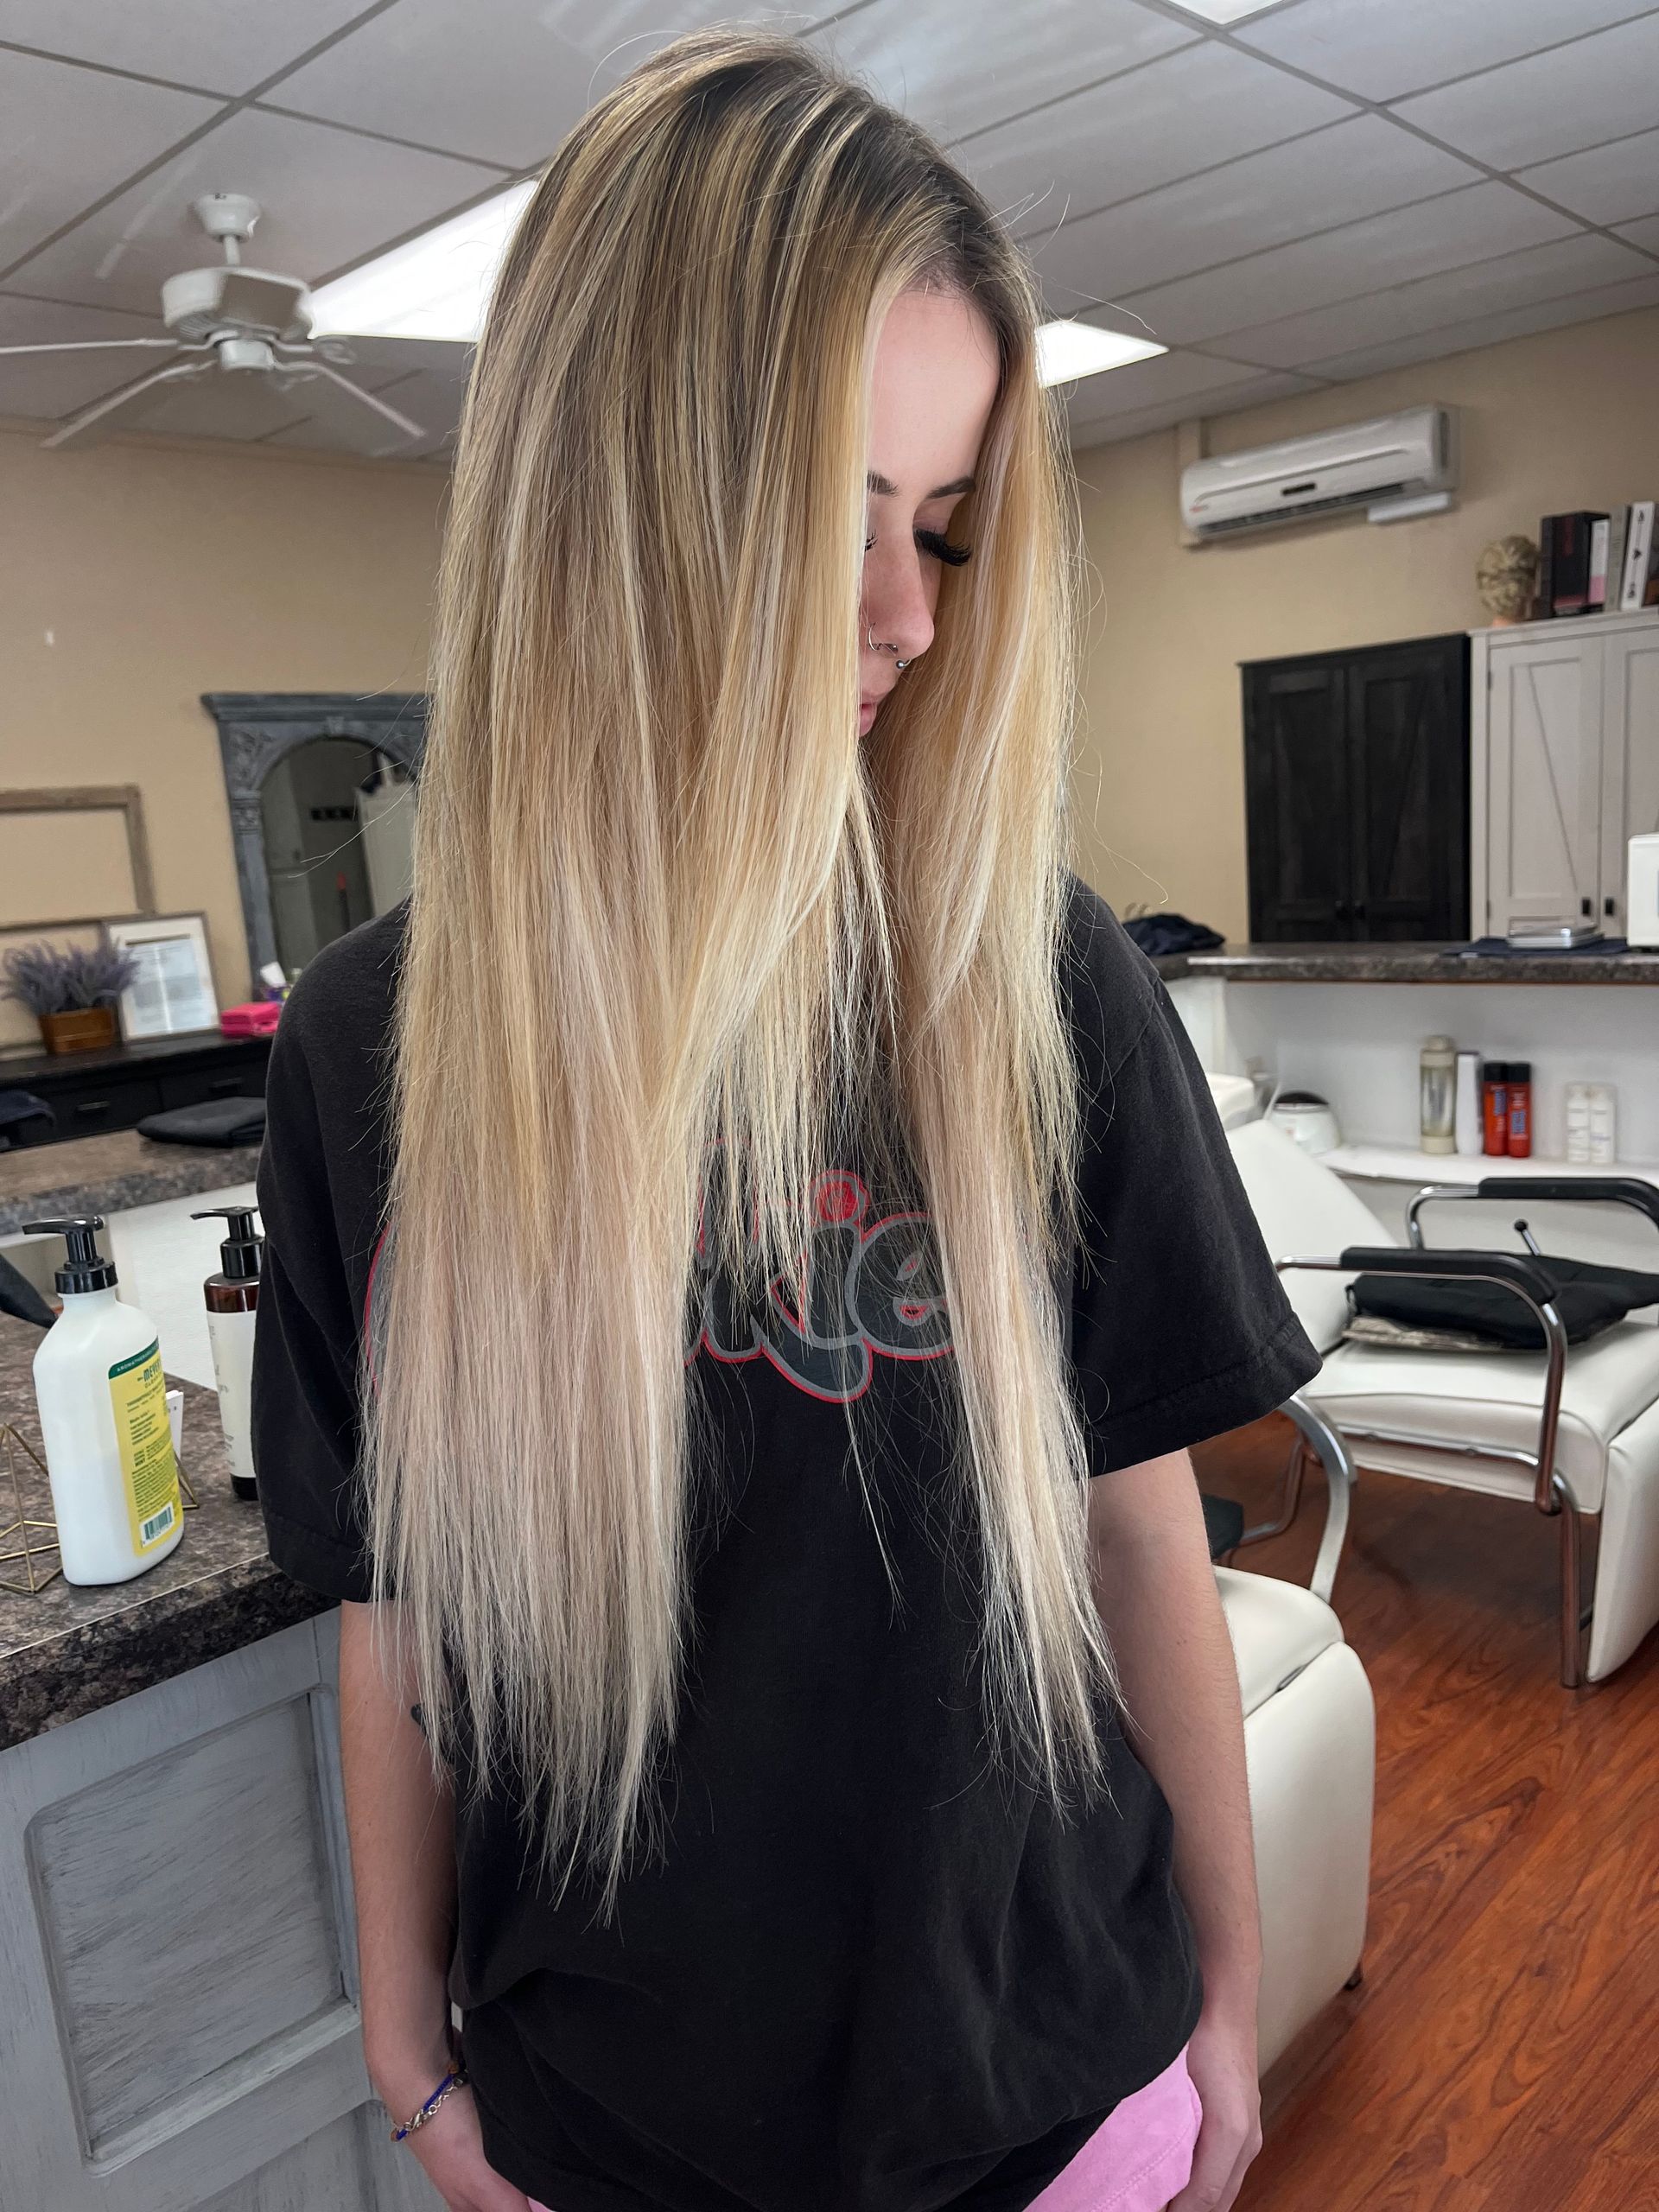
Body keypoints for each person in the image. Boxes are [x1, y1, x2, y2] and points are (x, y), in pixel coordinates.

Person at [250, 28, 1321, 2212]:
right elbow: (401, 1611)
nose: (916, 616)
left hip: (1055, 2095)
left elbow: (1143, 1525)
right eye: (836, 517)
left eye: (943, 525)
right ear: (617, 495)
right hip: (615, 2140)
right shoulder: (376, 1053)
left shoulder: (1036, 983)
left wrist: (1232, 1979)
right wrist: (402, 2048)